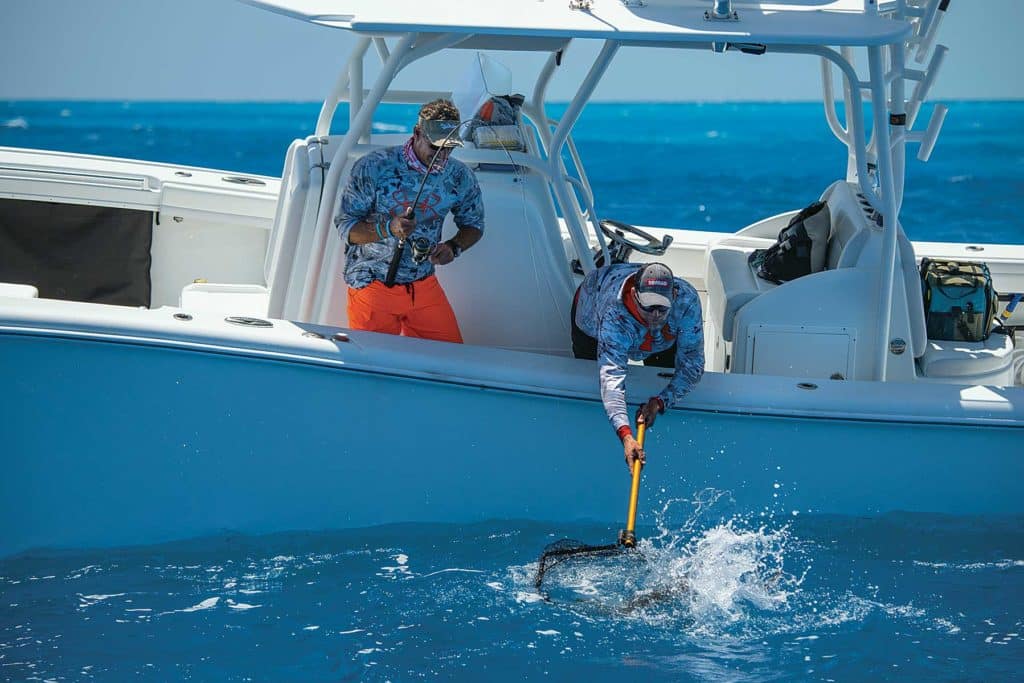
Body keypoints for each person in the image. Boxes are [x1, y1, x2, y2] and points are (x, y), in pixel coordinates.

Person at [334, 99, 484, 342]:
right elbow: (346, 228)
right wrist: (388, 228)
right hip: (373, 285)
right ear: (417, 133)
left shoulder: (459, 176)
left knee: (452, 361)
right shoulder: (373, 167)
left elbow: (474, 225)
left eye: (449, 148)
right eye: (435, 147)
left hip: (424, 285)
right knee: (375, 367)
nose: (442, 155)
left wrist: (453, 247)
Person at [571, 262, 704, 471]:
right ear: (634, 294)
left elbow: (692, 366)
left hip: (661, 338)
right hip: (592, 308)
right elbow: (612, 380)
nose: (655, 315)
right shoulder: (613, 315)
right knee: (589, 383)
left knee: (664, 376)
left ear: (674, 296)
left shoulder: (687, 301)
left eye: (662, 307)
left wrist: (659, 402)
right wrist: (626, 435)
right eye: (649, 306)